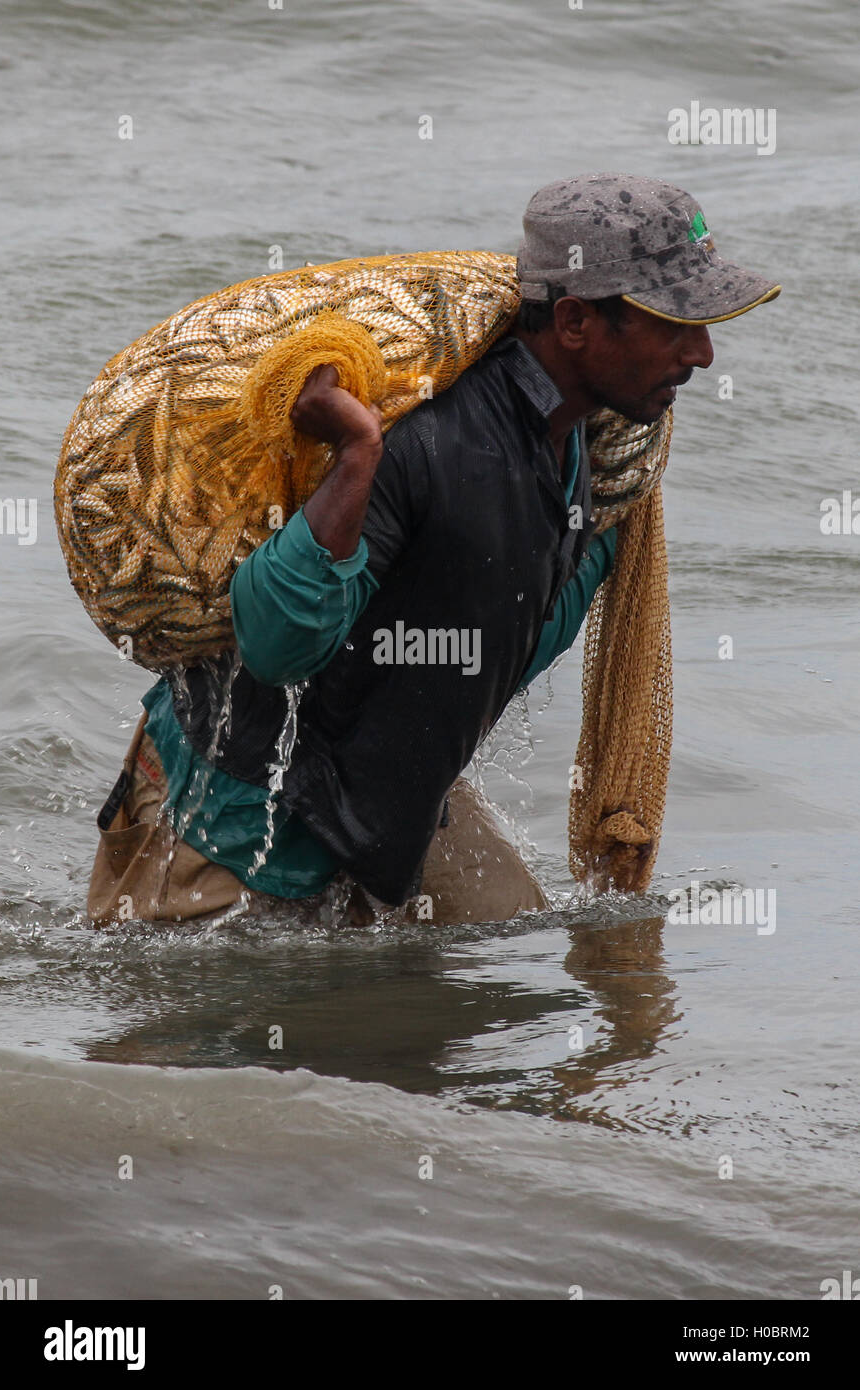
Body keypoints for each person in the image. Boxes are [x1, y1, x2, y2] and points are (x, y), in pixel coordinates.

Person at [87, 172, 780, 929]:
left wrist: (608, 534)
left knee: (524, 948)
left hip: (378, 799)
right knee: (181, 1029)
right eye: (675, 324)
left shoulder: (581, 447)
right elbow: (276, 646)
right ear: (576, 321)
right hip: (229, 807)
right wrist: (356, 454)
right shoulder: (422, 444)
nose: (705, 353)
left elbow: (511, 635)